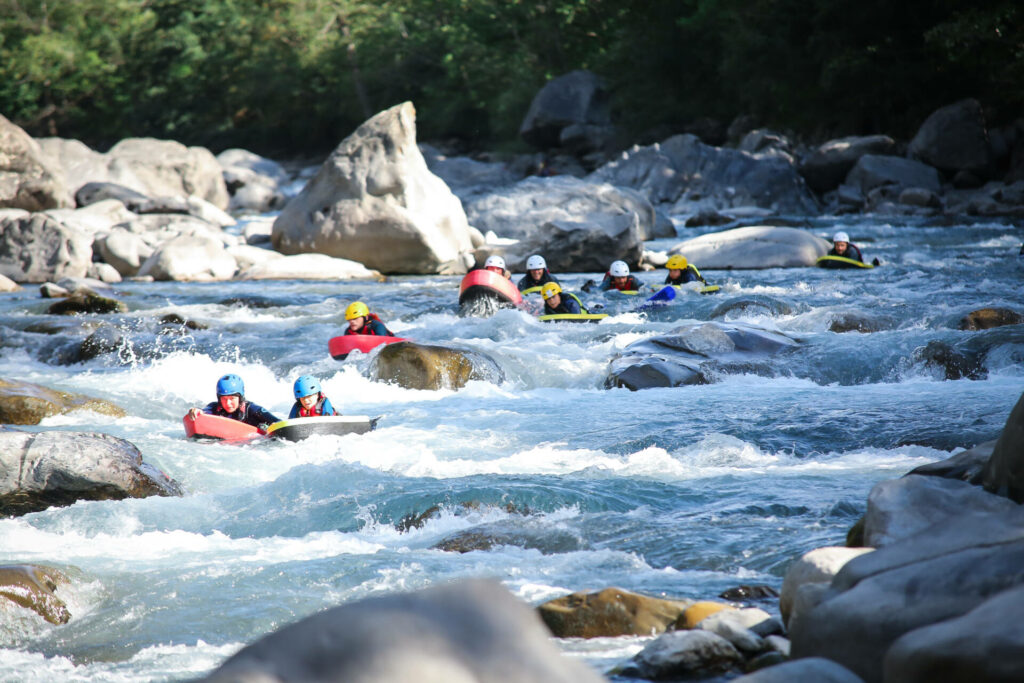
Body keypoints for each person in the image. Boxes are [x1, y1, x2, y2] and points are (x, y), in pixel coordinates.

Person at [187, 373, 280, 428]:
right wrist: (196, 411)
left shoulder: (252, 409)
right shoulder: (214, 407)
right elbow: (203, 412)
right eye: (224, 399)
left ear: (240, 398)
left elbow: (278, 422)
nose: (228, 403)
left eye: (232, 398)